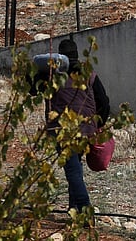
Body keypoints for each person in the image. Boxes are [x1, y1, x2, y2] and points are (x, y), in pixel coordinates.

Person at [44, 37, 110, 214]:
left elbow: (33, 90)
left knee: (72, 170)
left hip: (62, 130)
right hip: (86, 129)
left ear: (60, 56)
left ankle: (85, 208)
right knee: (75, 167)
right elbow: (103, 101)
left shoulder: (53, 75)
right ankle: (74, 209)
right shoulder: (89, 73)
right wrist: (98, 124)